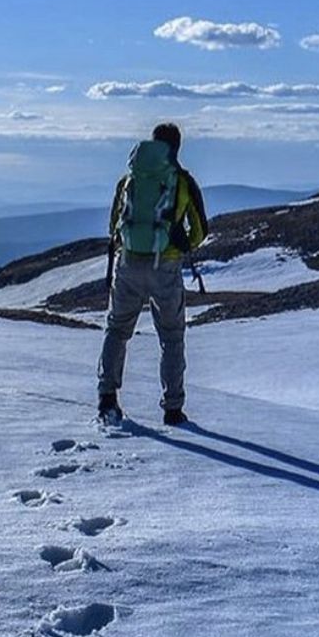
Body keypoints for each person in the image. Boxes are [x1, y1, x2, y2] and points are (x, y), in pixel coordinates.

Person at [97, 123, 208, 425]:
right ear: (177, 147)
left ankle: (107, 398)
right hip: (165, 268)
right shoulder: (182, 182)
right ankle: (172, 409)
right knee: (171, 337)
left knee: (117, 330)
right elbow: (200, 230)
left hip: (128, 263)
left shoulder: (129, 178)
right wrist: (182, 243)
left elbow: (113, 227)